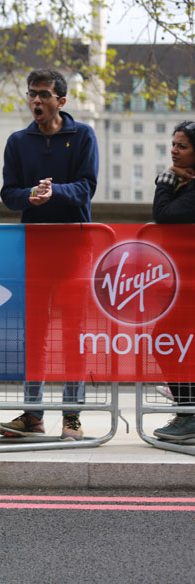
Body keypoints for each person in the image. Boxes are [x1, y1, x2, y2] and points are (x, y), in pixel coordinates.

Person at [0, 68, 98, 441]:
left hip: (73, 251)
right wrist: (30, 196)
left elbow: (87, 187)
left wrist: (55, 192)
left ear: (61, 101)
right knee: (34, 336)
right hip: (35, 251)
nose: (36, 100)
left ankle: (72, 417)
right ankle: (32, 414)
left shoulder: (83, 135)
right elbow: (9, 194)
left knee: (73, 335)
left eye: (43, 94)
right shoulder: (17, 141)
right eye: (31, 93)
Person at [151, 120, 195, 440]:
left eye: (182, 146)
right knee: (174, 342)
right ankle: (187, 412)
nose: (174, 151)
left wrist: (165, 179)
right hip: (183, 282)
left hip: (190, 283)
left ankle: (189, 413)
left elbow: (164, 214)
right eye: (174, 144)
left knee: (166, 339)